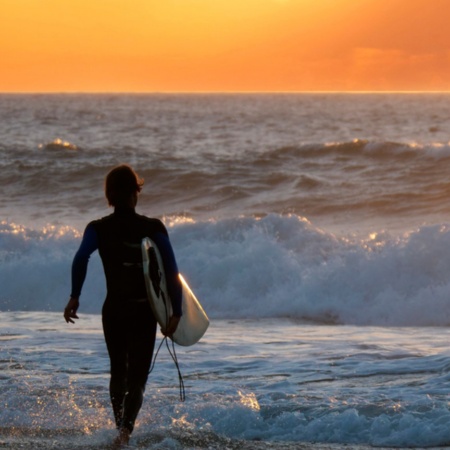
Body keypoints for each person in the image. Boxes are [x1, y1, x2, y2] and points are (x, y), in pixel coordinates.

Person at [63, 164, 182, 448]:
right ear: (135, 192)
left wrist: (74, 296)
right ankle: (125, 434)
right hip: (143, 312)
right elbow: (171, 267)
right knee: (138, 378)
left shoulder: (98, 228)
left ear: (110, 196)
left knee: (118, 371)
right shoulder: (153, 227)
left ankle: (121, 432)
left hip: (113, 309)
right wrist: (175, 312)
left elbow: (81, 258)